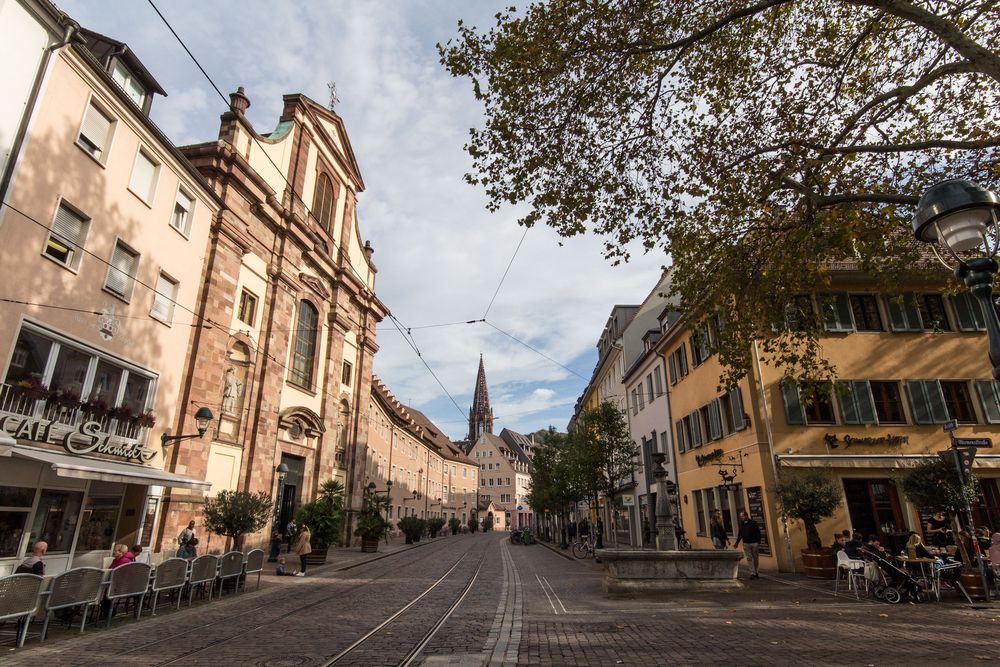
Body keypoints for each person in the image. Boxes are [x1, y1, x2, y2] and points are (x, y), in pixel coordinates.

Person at [733, 511, 761, 579]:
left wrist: (758, 542)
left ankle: (756, 571)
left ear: (746, 516)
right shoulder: (741, 524)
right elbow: (740, 534)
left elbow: (758, 532)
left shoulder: (753, 523)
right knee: (749, 558)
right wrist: (737, 543)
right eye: (741, 516)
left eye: (742, 516)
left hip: (754, 543)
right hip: (746, 543)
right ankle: (752, 573)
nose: (741, 517)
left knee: (755, 558)